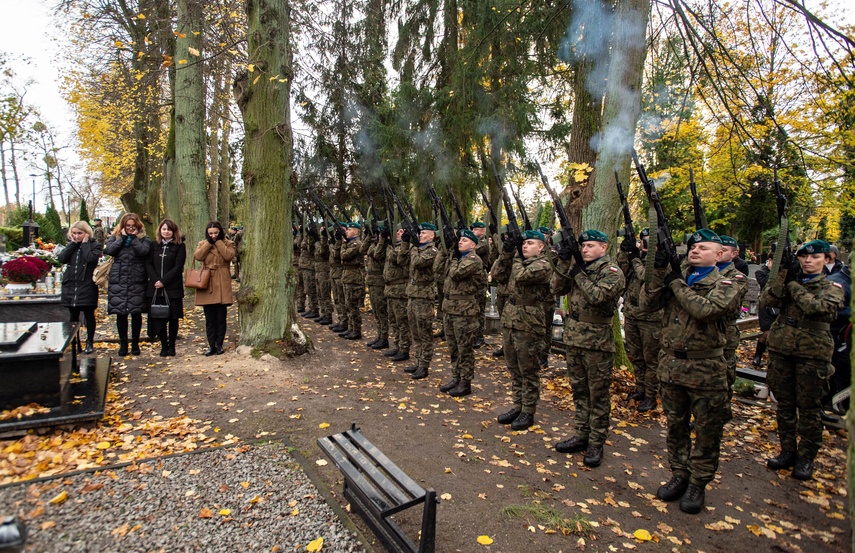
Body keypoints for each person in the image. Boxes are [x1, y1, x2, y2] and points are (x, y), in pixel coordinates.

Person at [641, 229, 740, 514]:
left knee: (707, 430)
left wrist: (676, 284)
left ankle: (698, 482)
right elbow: (647, 304)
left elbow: (705, 310)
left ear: (720, 254)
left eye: (703, 248)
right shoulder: (679, 275)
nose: (695, 251)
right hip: (672, 366)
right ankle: (679, 473)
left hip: (706, 370)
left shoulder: (728, 281)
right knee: (676, 426)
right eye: (693, 247)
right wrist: (659, 271)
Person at [760, 239, 845, 480]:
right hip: (782, 350)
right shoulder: (790, 280)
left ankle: (806, 457)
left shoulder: (833, 286)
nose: (808, 261)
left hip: (812, 354)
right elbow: (769, 300)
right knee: (785, 405)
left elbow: (815, 308)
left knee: (809, 408)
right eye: (803, 257)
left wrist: (795, 286)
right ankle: (787, 450)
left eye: (815, 257)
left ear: (826, 260)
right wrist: (783, 274)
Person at [551, 230, 624, 467]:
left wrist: (578, 274)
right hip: (574, 340)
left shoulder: (611, 272)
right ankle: (581, 434)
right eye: (583, 246)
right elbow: (556, 287)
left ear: (604, 248)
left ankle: (596, 442)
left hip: (597, 343)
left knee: (598, 395)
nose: (585, 249)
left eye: (591, 246)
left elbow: (598, 296)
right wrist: (563, 261)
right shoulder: (579, 267)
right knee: (579, 391)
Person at [492, 230, 553, 430]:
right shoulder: (516, 260)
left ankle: (528, 410)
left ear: (541, 246)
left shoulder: (543, 265)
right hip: (511, 320)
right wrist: (506, 253)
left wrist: (516, 256)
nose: (525, 246)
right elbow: (497, 275)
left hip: (529, 323)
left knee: (528, 370)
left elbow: (520, 276)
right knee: (514, 368)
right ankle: (517, 405)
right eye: (523, 243)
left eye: (530, 243)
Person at [617, 228, 663, 412]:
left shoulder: (660, 262)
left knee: (651, 359)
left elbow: (646, 276)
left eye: (650, 242)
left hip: (651, 319)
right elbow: (622, 272)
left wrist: (635, 258)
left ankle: (651, 395)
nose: (646, 245)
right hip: (632, 313)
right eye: (644, 241)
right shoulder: (637, 259)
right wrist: (624, 253)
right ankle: (641, 388)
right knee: (636, 356)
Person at [439, 229, 486, 397]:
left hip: (464, 310)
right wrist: (449, 251)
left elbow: (455, 273)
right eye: (460, 240)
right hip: (450, 307)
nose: (460, 242)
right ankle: (456, 377)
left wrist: (453, 257)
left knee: (464, 348)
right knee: (453, 347)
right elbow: (440, 271)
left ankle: (465, 382)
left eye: (464, 240)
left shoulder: (473, 259)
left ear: (473, 245)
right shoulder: (458, 258)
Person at [105, 213, 152, 356]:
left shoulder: (144, 238)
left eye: (133, 226)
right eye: (128, 226)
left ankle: (135, 343)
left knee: (136, 312)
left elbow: (144, 251)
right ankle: (123, 343)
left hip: (136, 278)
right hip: (118, 278)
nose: (130, 228)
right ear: (123, 226)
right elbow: (109, 250)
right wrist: (124, 238)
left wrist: (133, 239)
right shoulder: (116, 237)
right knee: (121, 313)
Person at [57, 221, 103, 354]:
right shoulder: (71, 246)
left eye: (79, 233)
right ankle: (75, 342)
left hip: (87, 285)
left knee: (89, 315)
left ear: (86, 233)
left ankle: (89, 342)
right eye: (74, 233)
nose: (77, 236)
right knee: (73, 316)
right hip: (71, 285)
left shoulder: (95, 245)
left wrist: (85, 245)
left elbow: (90, 259)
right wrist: (72, 244)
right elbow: (62, 258)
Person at [717, 235, 749, 417]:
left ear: (734, 254)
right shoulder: (700, 271)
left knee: (725, 371)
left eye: (725, 250)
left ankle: (723, 409)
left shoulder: (737, 277)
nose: (720, 252)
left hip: (726, 331)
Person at [194, 221, 236, 355]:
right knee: (209, 318)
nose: (213, 235)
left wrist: (218, 242)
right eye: (210, 233)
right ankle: (211, 345)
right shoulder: (203, 244)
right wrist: (208, 243)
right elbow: (198, 256)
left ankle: (220, 345)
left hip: (222, 280)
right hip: (207, 281)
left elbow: (229, 256)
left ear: (220, 232)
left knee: (221, 317)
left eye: (216, 233)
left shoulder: (228, 243)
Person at [146, 219, 186, 357]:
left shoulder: (179, 246)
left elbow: (178, 267)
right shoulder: (153, 245)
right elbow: (148, 264)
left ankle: (172, 345)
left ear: (174, 232)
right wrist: (156, 280)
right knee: (158, 317)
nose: (166, 232)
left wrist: (164, 281)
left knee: (173, 318)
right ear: (160, 230)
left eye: (169, 229)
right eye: (164, 229)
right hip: (155, 287)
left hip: (172, 287)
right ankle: (163, 345)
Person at [404, 223, 439, 379]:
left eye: (424, 233)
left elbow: (418, 262)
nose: (421, 235)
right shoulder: (417, 249)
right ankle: (418, 361)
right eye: (420, 233)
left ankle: (424, 366)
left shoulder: (432, 251)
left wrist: (415, 247)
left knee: (424, 333)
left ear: (432, 235)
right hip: (413, 294)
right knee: (415, 332)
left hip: (424, 296)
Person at [384, 227, 411, 361]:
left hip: (400, 289)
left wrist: (404, 243)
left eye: (402, 232)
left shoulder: (407, 248)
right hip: (391, 289)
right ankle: (397, 345)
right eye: (397, 231)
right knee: (393, 321)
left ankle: (404, 348)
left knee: (402, 322)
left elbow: (399, 260)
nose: (399, 233)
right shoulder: (395, 246)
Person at [339, 222, 366, 340]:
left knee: (353, 306)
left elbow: (344, 256)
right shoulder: (349, 243)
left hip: (354, 279)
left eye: (349, 230)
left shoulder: (356, 244)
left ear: (356, 231)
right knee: (348, 305)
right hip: (348, 277)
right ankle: (351, 328)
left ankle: (356, 330)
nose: (346, 232)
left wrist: (343, 245)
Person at [365, 227, 389, 348]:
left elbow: (376, 254)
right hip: (372, 281)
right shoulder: (376, 243)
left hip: (379, 281)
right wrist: (371, 238)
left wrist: (382, 240)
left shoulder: (384, 245)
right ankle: (380, 336)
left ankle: (384, 338)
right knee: (376, 312)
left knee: (381, 311)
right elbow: (365, 250)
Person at [752, 256, 775, 366]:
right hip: (766, 306)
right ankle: (758, 355)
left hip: (779, 306)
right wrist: (772, 272)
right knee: (767, 333)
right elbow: (766, 285)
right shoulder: (760, 272)